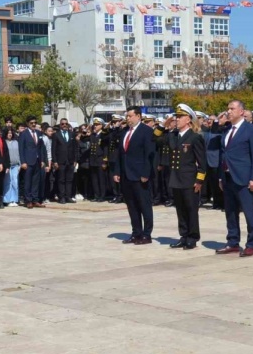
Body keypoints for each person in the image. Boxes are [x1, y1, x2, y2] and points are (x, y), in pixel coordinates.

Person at [216, 100, 253, 257]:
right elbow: (224, 154)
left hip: (244, 178)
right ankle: (233, 242)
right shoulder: (227, 130)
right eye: (228, 108)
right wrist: (221, 177)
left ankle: (252, 244)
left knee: (249, 212)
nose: (229, 111)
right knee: (230, 212)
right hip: (228, 177)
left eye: (232, 108)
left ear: (241, 111)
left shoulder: (251, 130)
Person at [158, 104, 207, 250]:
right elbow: (154, 139)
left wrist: (199, 180)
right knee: (180, 210)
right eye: (176, 117)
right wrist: (162, 126)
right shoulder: (173, 135)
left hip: (189, 179)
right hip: (175, 178)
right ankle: (184, 235)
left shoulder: (194, 137)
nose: (177, 119)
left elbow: (202, 163)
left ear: (188, 120)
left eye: (180, 117)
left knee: (191, 209)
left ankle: (192, 237)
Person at [113, 106, 156, 245]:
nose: (128, 118)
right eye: (127, 116)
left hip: (140, 175)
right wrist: (117, 171)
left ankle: (146, 234)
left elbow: (149, 154)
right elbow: (121, 154)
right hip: (126, 175)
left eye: (130, 116)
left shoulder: (147, 131)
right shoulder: (125, 132)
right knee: (132, 206)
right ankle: (136, 232)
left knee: (144, 205)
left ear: (138, 116)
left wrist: (145, 173)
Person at [19, 116, 47, 209]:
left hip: (38, 161)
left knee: (36, 182)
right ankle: (28, 200)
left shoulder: (39, 133)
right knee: (28, 182)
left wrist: (42, 160)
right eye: (31, 123)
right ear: (27, 124)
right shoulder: (23, 134)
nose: (34, 124)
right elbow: (21, 149)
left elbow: (41, 147)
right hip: (28, 161)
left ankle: (35, 200)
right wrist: (23, 162)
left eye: (35, 122)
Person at [51, 118, 79, 204]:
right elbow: (53, 149)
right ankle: (62, 197)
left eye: (66, 124)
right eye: (62, 124)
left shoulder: (72, 134)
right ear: (60, 125)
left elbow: (75, 148)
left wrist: (75, 159)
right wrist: (54, 161)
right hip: (60, 161)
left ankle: (68, 196)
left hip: (70, 161)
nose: (64, 125)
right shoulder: (56, 135)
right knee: (61, 180)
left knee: (69, 180)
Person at [89, 118, 107, 202]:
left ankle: (102, 196)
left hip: (100, 160)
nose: (95, 126)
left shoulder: (103, 135)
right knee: (94, 179)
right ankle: (96, 195)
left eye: (97, 125)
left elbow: (105, 149)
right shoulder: (93, 135)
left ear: (101, 126)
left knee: (101, 179)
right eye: (94, 125)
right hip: (93, 160)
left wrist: (104, 161)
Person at [3, 128, 21, 207]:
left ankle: (14, 199)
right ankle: (7, 200)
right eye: (8, 133)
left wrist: (20, 164)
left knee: (15, 183)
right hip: (8, 165)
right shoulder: (4, 142)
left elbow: (19, 153)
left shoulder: (16, 142)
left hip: (16, 165)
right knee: (8, 183)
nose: (9, 134)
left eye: (11, 133)